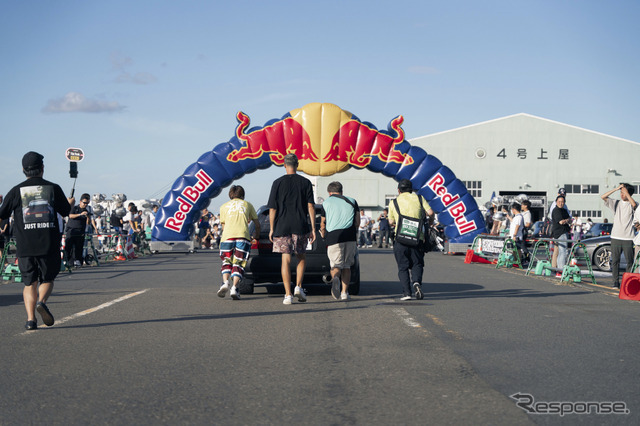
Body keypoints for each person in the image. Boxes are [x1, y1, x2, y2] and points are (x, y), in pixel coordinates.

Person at [0, 152, 73, 330]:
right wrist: (70, 202)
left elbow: (2, 214)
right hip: (49, 243)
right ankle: (42, 302)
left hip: (25, 245)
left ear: (23, 170)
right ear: (42, 168)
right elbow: (66, 211)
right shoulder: (53, 188)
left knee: (29, 283)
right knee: (47, 279)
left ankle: (31, 320)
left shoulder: (16, 190)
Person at [267, 153, 316, 305]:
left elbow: (273, 208)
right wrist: (313, 228)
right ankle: (299, 287)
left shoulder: (277, 183)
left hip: (282, 226)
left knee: (285, 259)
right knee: (301, 257)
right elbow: (310, 206)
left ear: (284, 165)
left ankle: (288, 294)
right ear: (297, 165)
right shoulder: (305, 182)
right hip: (300, 225)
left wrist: (271, 228)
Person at [388, 179, 434, 300]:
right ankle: (417, 283)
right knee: (417, 263)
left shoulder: (394, 202)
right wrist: (430, 221)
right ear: (411, 189)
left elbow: (391, 221)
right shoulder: (419, 198)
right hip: (417, 238)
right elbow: (430, 212)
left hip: (400, 238)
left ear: (399, 190)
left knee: (402, 267)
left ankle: (407, 293)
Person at [217, 185, 260, 300]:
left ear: (230, 194)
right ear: (242, 195)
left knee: (227, 261)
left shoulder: (223, 207)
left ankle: (225, 282)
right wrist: (256, 235)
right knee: (239, 263)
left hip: (227, 237)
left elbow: (224, 226)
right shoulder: (247, 205)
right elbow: (257, 224)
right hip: (243, 236)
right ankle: (234, 288)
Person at [320, 181, 360, 300]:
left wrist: (323, 234)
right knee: (347, 266)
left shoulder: (326, 203)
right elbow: (357, 222)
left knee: (336, 265)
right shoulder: (352, 201)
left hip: (334, 237)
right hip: (350, 236)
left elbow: (323, 223)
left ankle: (336, 277)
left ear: (329, 192)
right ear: (342, 191)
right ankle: (344, 293)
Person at [601, 183, 637, 288]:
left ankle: (628, 283)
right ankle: (615, 283)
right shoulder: (616, 203)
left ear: (629, 194)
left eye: (624, 193)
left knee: (629, 262)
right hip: (616, 236)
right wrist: (616, 189)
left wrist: (627, 193)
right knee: (615, 261)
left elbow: (634, 205)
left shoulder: (633, 204)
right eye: (621, 193)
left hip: (628, 237)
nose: (622, 195)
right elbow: (603, 197)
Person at [65, 194, 91, 267]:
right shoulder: (75, 208)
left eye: (87, 203)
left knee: (79, 247)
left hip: (80, 231)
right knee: (68, 247)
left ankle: (77, 261)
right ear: (80, 201)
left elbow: (88, 223)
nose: (85, 205)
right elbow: (70, 215)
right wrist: (80, 214)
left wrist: (88, 217)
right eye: (84, 203)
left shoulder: (86, 210)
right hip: (71, 230)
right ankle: (66, 260)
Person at [550, 195, 571, 277]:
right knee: (563, 252)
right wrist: (566, 220)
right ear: (556, 202)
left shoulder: (564, 210)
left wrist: (566, 220)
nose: (561, 203)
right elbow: (561, 222)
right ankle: (560, 271)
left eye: (562, 202)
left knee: (558, 252)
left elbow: (569, 219)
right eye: (559, 201)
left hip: (564, 232)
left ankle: (557, 270)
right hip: (559, 232)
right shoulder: (556, 210)